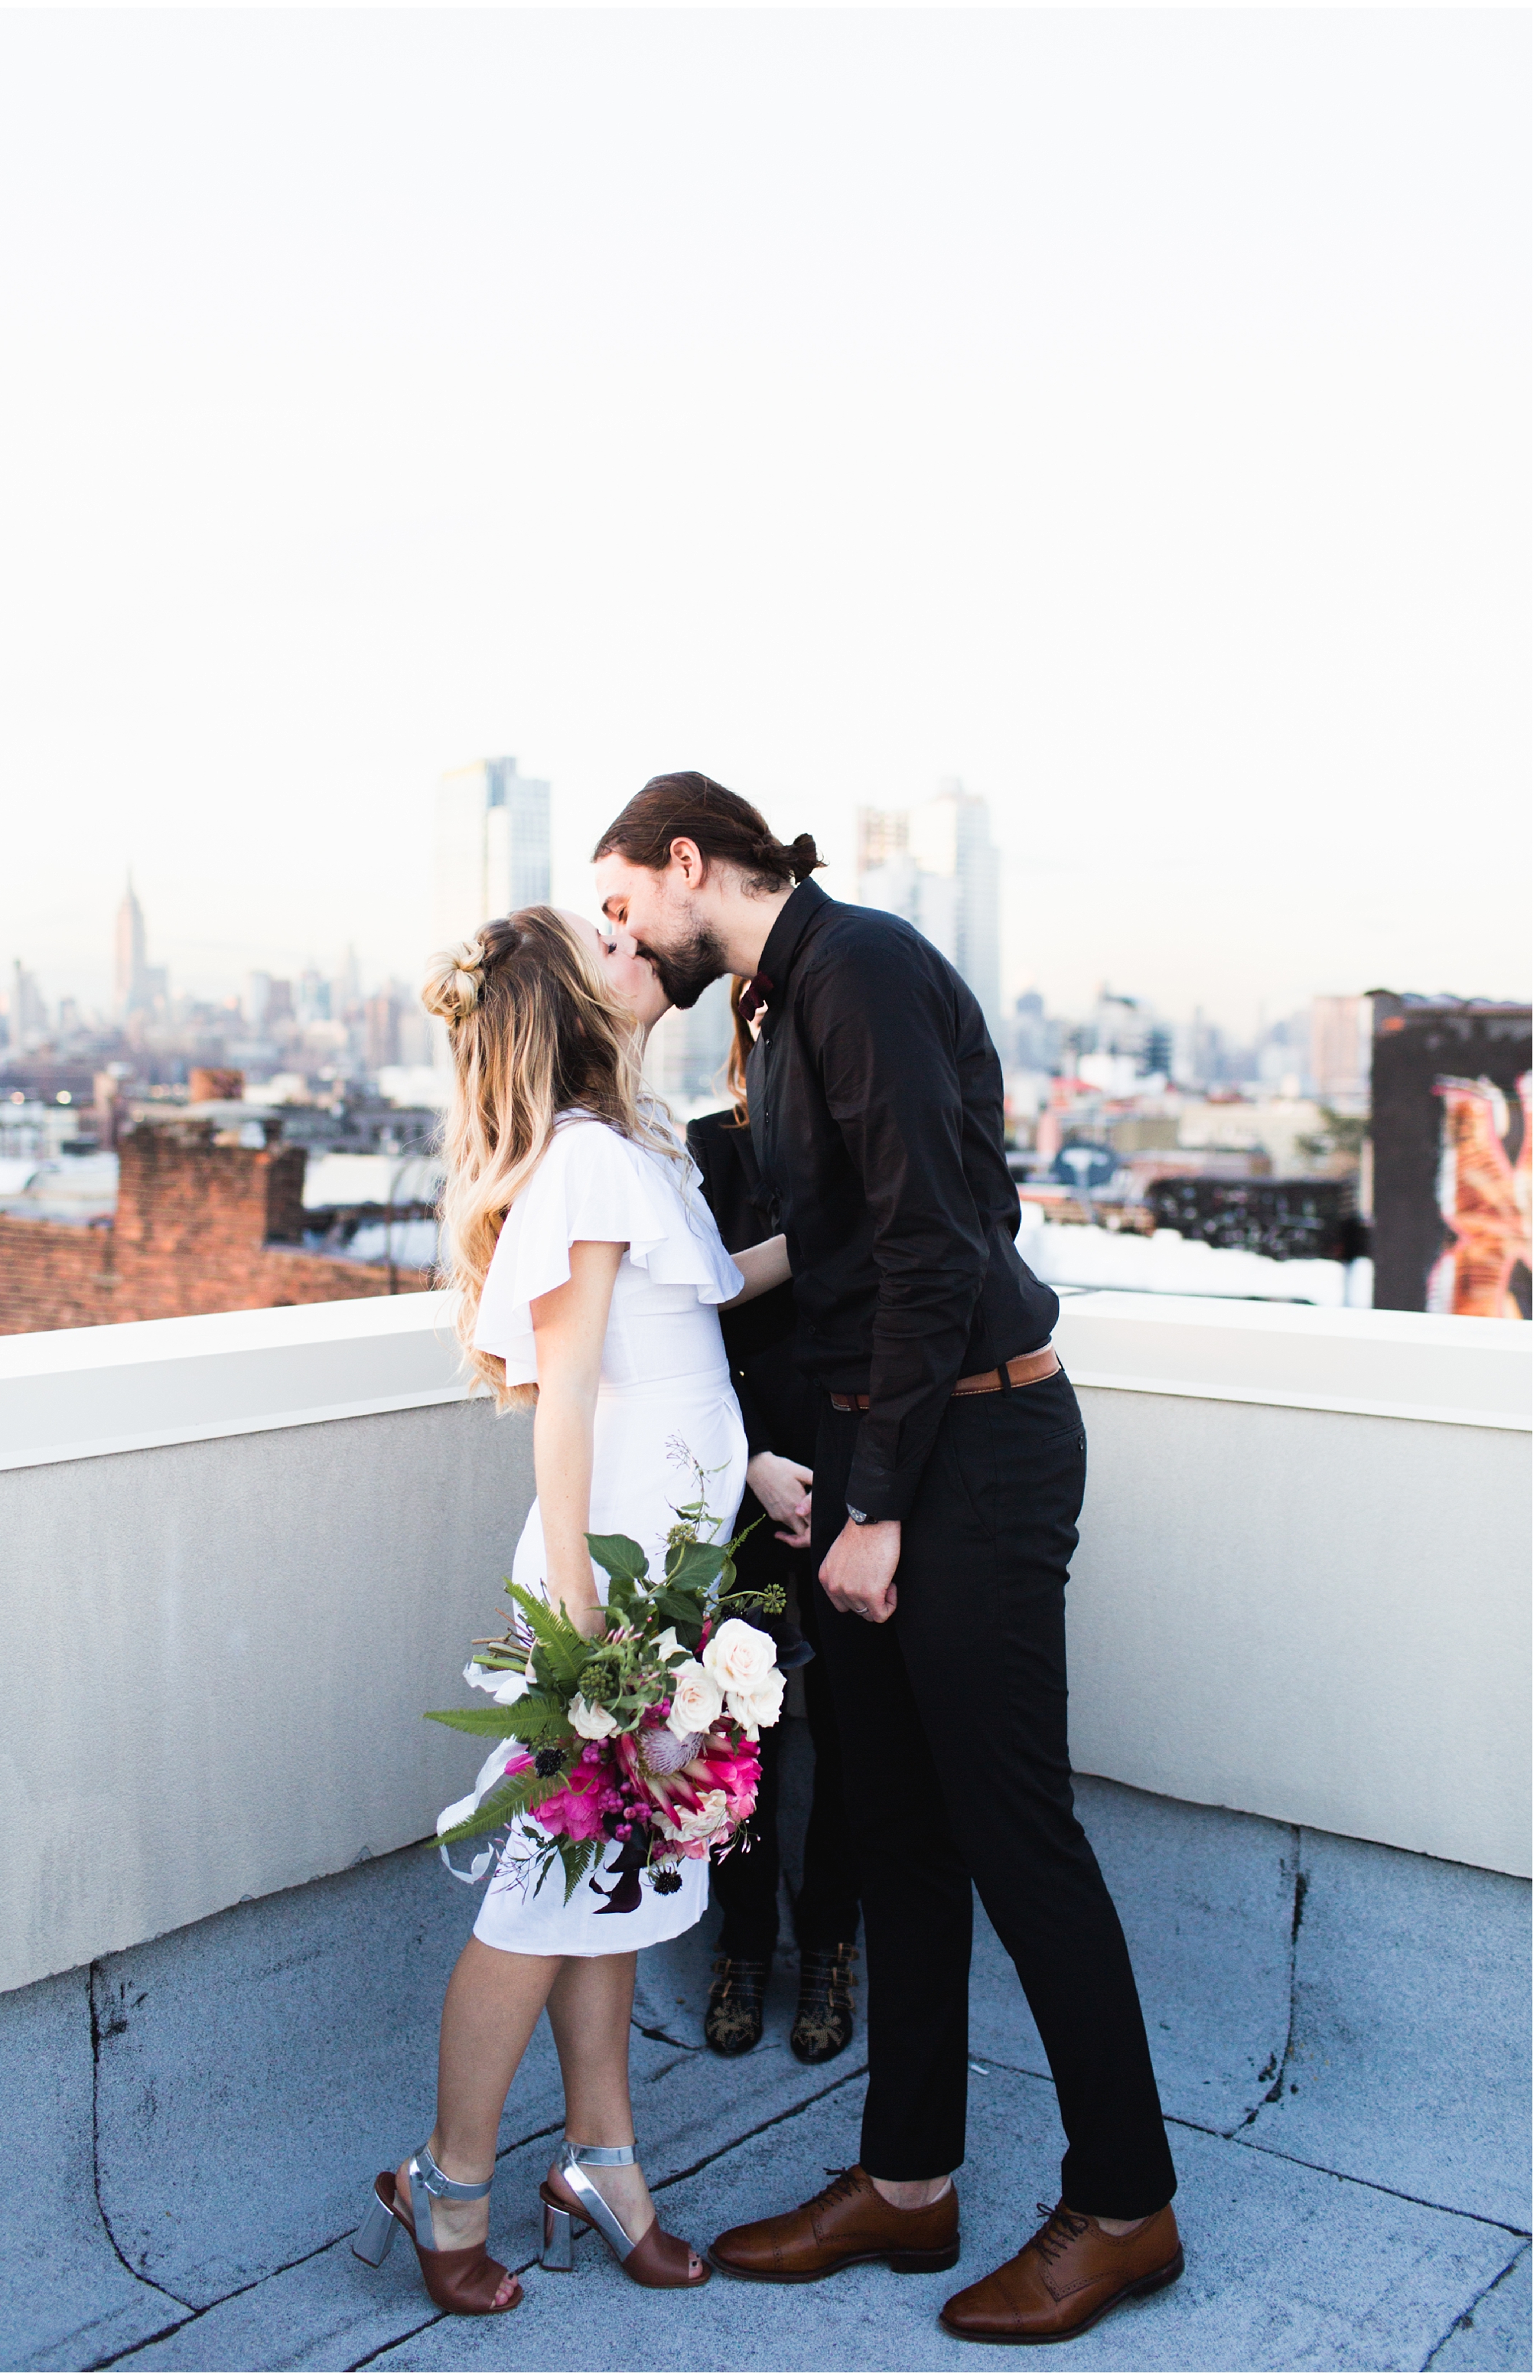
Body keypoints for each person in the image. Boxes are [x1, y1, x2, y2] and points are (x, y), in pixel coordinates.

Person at [594, 777, 1183, 2348]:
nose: (619, 938)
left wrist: (876, 1509)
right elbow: (846, 1246)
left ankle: (1126, 2206)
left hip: (970, 1455)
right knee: (904, 1838)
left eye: (621, 908)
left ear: (683, 862)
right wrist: (676, 1299)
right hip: (890, 1455)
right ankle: (907, 2183)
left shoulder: (851, 968)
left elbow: (936, 1240)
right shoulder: (775, 1008)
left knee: (1015, 1838)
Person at [353, 904, 790, 2317]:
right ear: (566, 1010)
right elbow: (563, 1416)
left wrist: (755, 1459)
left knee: (615, 1895)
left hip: (667, 1586)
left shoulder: (636, 1155)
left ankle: (604, 2166)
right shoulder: (588, 1166)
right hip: (600, 1607)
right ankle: (449, 2180)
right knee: (535, 1907)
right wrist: (598, 1642)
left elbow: (704, 1324)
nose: (634, 945)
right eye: (602, 947)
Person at [685, 980, 862, 2062]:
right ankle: (741, 1947)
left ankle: (831, 1947)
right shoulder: (709, 1153)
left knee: (846, 1730)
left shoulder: (867, 1157)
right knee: (737, 1726)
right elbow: (684, 1325)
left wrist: (842, 1484)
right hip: (743, 1480)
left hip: (851, 1488)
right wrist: (750, 1463)